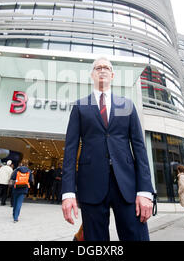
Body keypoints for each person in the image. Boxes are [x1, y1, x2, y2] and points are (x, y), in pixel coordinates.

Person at [62, 57, 154, 241]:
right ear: (92, 74)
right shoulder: (80, 106)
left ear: (112, 75)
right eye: (98, 67)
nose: (102, 70)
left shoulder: (126, 105)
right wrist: (68, 193)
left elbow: (140, 149)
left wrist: (145, 191)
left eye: (106, 67)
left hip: (127, 185)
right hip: (91, 185)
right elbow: (70, 151)